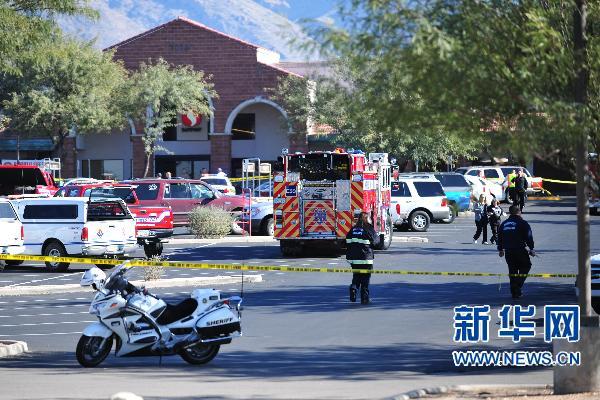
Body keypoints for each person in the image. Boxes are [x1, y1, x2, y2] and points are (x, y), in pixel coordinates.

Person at [497, 205, 535, 299]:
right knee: (526, 266)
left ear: (510, 212)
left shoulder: (504, 224)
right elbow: (529, 236)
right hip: (520, 250)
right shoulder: (522, 223)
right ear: (519, 212)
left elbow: (499, 237)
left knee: (512, 270)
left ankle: (515, 292)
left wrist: (500, 249)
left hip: (509, 252)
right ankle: (516, 287)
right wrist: (531, 249)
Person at [346, 211, 380, 304]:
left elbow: (347, 242)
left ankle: (353, 287)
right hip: (366, 259)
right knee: (365, 278)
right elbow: (376, 242)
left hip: (354, 259)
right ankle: (364, 298)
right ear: (367, 218)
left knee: (356, 276)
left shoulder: (353, 229)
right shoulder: (368, 228)